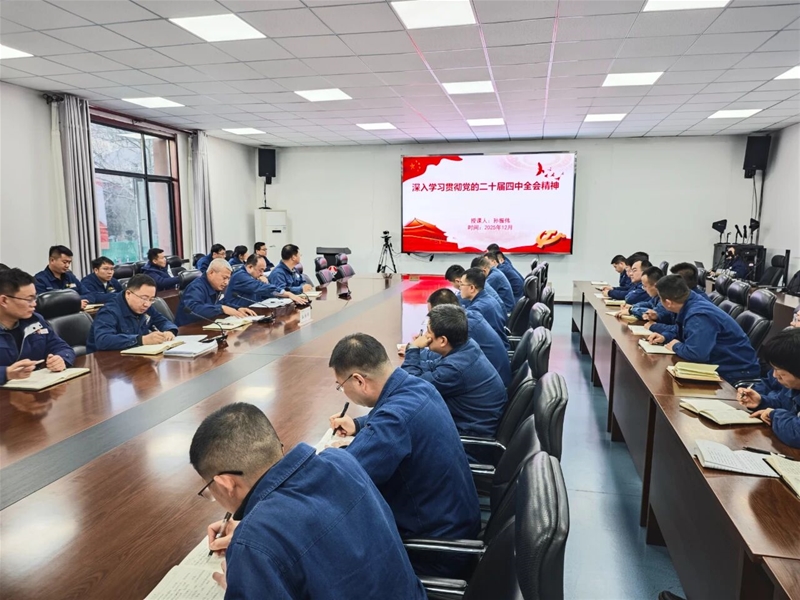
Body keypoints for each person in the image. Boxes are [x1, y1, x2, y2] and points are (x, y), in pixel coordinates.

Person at [191, 403, 426, 599]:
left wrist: (238, 585)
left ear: (225, 483)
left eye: (209, 489)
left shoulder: (253, 545)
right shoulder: (341, 461)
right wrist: (253, 527)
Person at [327, 333, 480, 578]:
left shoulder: (394, 420)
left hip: (434, 551)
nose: (342, 391)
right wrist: (357, 424)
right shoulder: (418, 386)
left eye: (340, 385)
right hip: (456, 526)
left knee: (329, 555)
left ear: (358, 380)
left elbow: (342, 480)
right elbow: (393, 419)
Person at [402, 304, 507, 445]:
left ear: (443, 340)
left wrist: (413, 349)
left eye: (428, 331)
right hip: (469, 423)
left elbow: (412, 387)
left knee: (403, 429)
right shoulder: (467, 346)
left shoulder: (455, 368)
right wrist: (414, 357)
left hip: (468, 440)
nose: (425, 335)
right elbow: (434, 366)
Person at [647, 275, 760, 383]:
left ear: (668, 302)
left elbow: (696, 354)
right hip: (722, 365)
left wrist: (675, 346)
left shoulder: (698, 315)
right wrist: (665, 336)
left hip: (735, 372)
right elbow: (684, 330)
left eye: (660, 299)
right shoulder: (690, 301)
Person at [0, 268, 75, 385]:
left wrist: (61, 359)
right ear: (4, 300)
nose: (34, 304)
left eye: (35, 297)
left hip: (35, 389)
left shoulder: (35, 321)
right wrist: (6, 373)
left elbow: (61, 347)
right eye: (29, 299)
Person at [425, 288, 511, 386]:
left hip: (498, 380)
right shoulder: (469, 317)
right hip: (493, 377)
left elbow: (441, 355)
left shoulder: (465, 327)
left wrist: (415, 348)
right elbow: (438, 360)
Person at [737, 328, 800, 448]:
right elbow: (782, 403)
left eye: (780, 372)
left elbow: (797, 434)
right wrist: (761, 402)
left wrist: (773, 414)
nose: (775, 375)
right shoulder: (793, 386)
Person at [86, 274, 178, 353]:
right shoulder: (109, 311)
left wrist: (169, 331)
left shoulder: (145, 307)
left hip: (135, 355)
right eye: (144, 298)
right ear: (128, 294)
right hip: (106, 361)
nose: (147, 304)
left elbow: (161, 320)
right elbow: (103, 340)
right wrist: (142, 340)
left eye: (151, 299)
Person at [176, 259, 256, 326]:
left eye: (228, 279)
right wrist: (221, 309)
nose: (226, 282)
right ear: (211, 273)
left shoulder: (214, 286)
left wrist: (237, 309)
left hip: (205, 325)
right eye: (224, 278)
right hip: (188, 330)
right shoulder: (196, 287)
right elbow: (194, 309)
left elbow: (222, 303)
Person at [227, 255, 308, 308]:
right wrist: (288, 294)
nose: (262, 273)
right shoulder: (240, 276)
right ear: (250, 267)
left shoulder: (253, 276)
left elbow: (265, 292)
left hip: (251, 310)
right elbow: (259, 287)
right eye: (261, 270)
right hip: (234, 313)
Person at [459, 268, 508, 347]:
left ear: (472, 288)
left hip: (490, 352)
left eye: (461, 284)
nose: (459, 288)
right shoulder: (488, 298)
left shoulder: (478, 309)